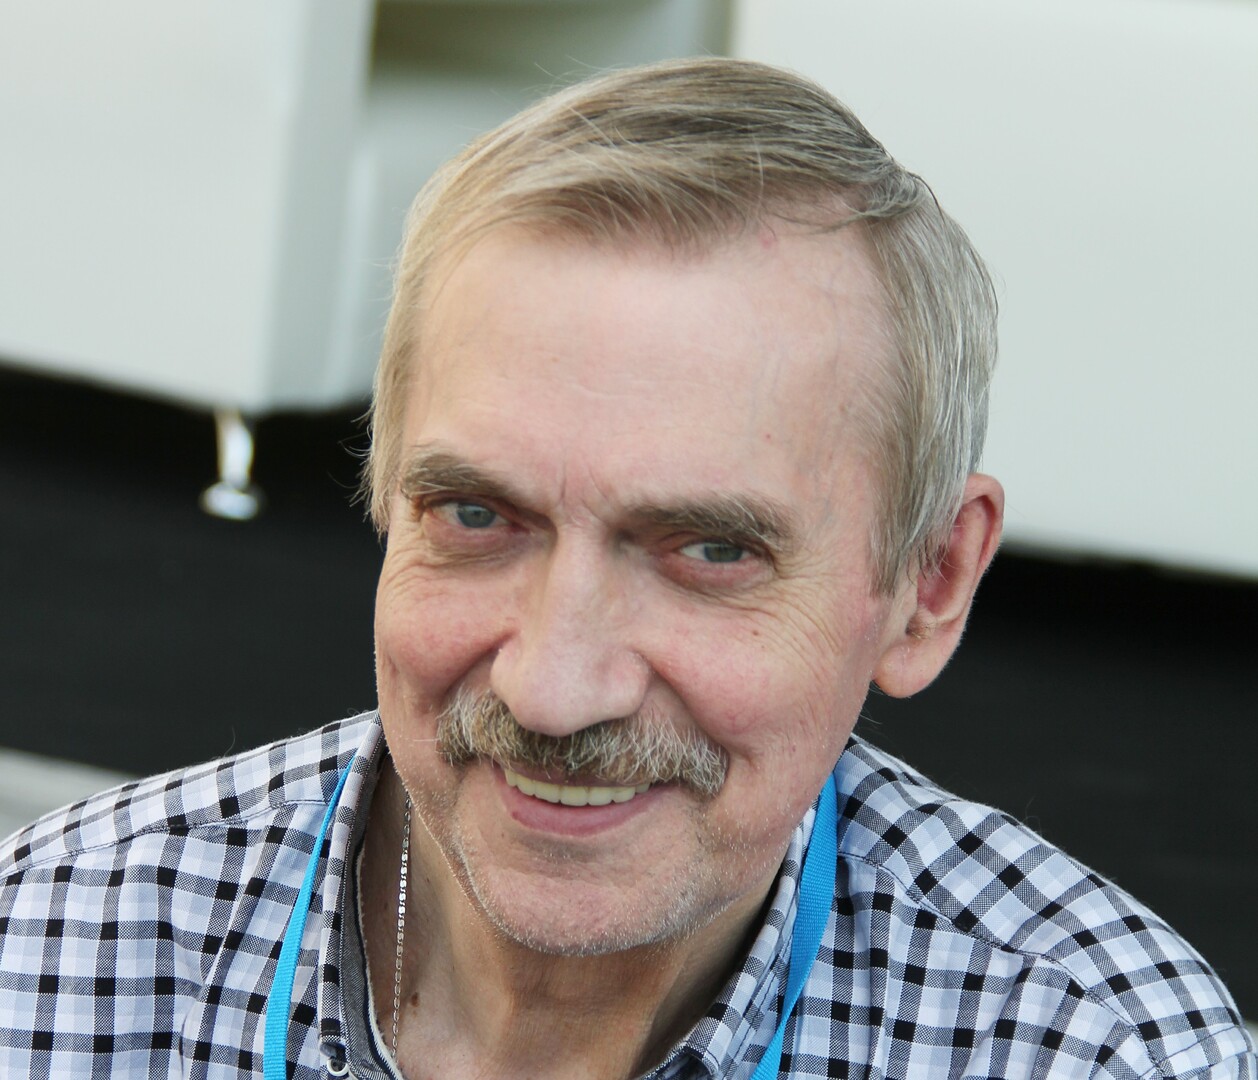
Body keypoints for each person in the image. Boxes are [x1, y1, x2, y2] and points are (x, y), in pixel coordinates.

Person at [0, 57, 1252, 1080]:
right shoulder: (54, 946)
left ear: (928, 586)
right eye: (477, 516)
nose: (554, 691)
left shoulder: (1090, 1051)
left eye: (711, 551)